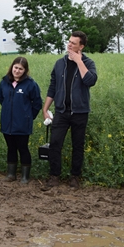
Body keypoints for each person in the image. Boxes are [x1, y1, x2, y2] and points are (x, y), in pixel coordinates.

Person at [42, 31, 97, 189]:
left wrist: (79, 61)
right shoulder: (60, 63)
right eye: (69, 42)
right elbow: (53, 86)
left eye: (74, 43)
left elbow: (90, 81)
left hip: (80, 112)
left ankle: (75, 177)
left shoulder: (88, 62)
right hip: (61, 111)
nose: (70, 45)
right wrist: (45, 108)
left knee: (78, 145)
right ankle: (54, 176)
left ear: (82, 46)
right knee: (55, 143)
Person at [0, 57, 43, 184]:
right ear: (12, 67)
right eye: (15, 67)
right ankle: (11, 174)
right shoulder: (4, 83)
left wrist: (28, 116)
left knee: (23, 148)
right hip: (7, 122)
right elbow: (1, 98)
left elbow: (37, 103)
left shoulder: (30, 84)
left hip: (22, 123)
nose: (17, 71)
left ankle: (25, 177)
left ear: (25, 70)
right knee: (10, 148)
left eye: (20, 69)